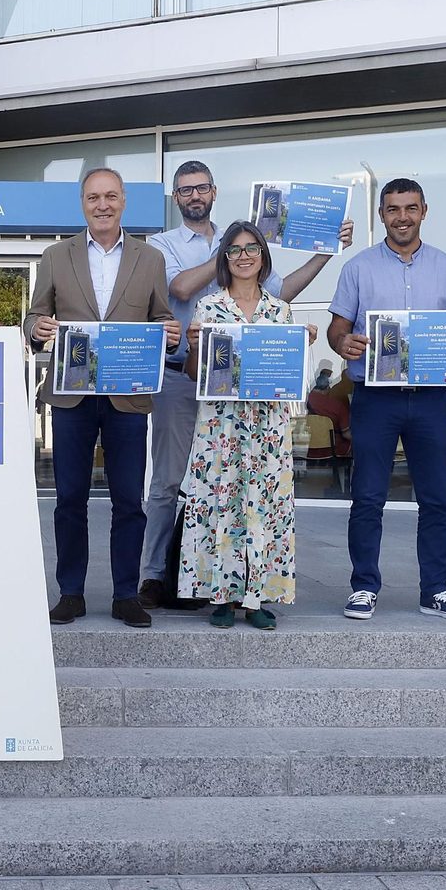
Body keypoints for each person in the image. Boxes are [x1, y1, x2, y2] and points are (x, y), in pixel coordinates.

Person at [140, 160, 352, 608]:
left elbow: (280, 292)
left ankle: (241, 587)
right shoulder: (163, 244)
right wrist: (228, 256)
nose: (194, 195)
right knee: (170, 483)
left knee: (240, 487)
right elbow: (179, 289)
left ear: (214, 192)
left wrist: (325, 250)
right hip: (183, 376)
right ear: (176, 198)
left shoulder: (243, 244)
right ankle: (154, 576)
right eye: (184, 190)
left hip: (248, 396)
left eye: (201, 188)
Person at [24, 167, 181, 629]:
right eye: (94, 197)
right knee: (69, 498)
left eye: (111, 196)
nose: (103, 205)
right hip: (71, 398)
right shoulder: (56, 255)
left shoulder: (150, 259)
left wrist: (169, 335)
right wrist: (37, 328)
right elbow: (35, 315)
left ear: (124, 201)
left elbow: (161, 318)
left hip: (127, 399)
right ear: (83, 203)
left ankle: (125, 594)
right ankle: (70, 592)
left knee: (128, 501)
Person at [326, 177, 446, 622]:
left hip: (433, 399)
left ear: (424, 211)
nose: (402, 217)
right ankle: (363, 587)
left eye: (410, 208)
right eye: (393, 209)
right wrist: (344, 344)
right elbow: (338, 328)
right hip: (375, 398)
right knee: (368, 497)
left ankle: (435, 589)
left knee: (437, 498)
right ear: (382, 215)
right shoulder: (358, 268)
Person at [178, 222, 316, 629]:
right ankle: (221, 596)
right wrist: (193, 346)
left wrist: (301, 346)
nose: (242, 256)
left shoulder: (281, 311)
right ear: (224, 258)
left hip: (268, 428)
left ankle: (258, 598)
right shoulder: (209, 309)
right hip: (221, 427)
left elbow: (293, 377)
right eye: (234, 249)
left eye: (251, 248)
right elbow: (193, 374)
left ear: (262, 256)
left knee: (265, 509)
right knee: (223, 505)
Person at [307, 360, 352, 456]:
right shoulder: (337, 405)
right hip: (334, 451)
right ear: (327, 387)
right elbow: (346, 434)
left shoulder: (303, 402)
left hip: (307, 451)